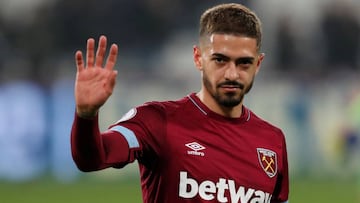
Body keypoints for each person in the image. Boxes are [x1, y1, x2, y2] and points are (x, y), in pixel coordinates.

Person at [71, 3, 289, 203]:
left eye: (244, 63)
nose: (232, 74)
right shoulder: (157, 120)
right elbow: (92, 158)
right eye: (220, 60)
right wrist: (86, 116)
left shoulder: (272, 141)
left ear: (258, 64)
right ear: (198, 58)